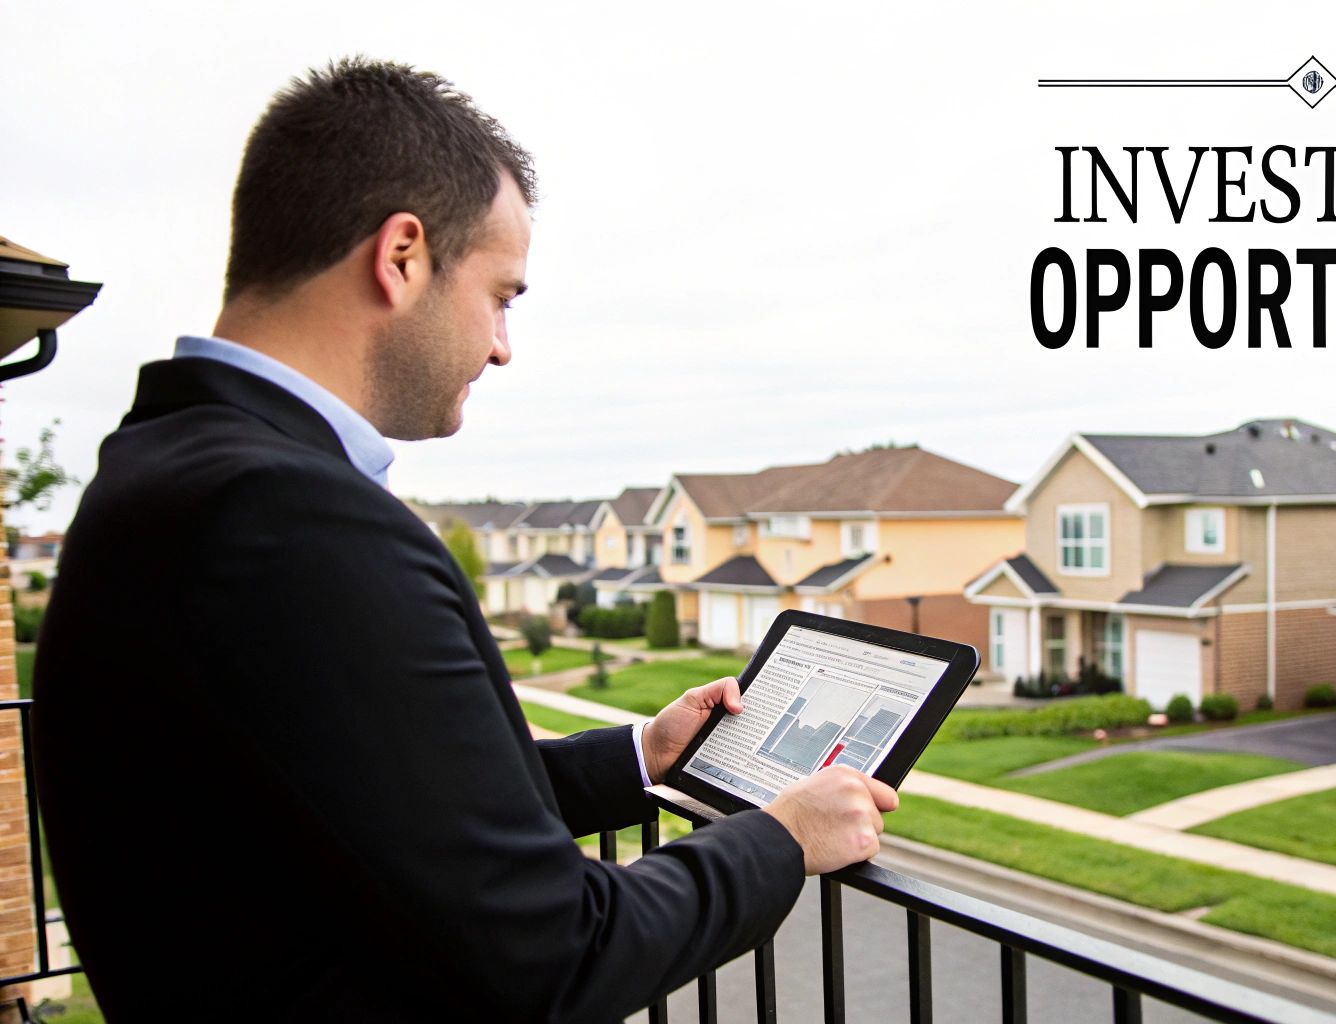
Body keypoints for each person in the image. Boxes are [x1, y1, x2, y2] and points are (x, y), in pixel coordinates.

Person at [32, 57, 898, 1022]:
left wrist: (643, 757)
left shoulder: (160, 468)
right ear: (402, 256)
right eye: (502, 295)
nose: (501, 345)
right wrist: (782, 837)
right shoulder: (292, 520)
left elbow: (374, 803)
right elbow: (553, 956)